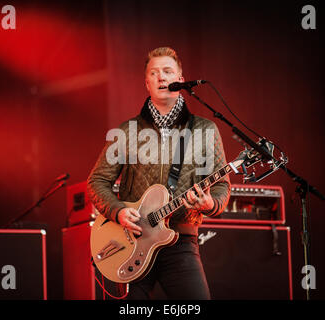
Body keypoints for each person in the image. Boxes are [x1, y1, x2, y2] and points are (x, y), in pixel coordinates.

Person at [87, 47, 231, 300]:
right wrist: (118, 211)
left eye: (167, 71)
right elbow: (97, 181)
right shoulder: (127, 131)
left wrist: (210, 203)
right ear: (146, 83)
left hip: (181, 242)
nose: (161, 77)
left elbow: (221, 187)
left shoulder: (204, 129)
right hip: (131, 240)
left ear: (180, 78)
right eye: (154, 73)